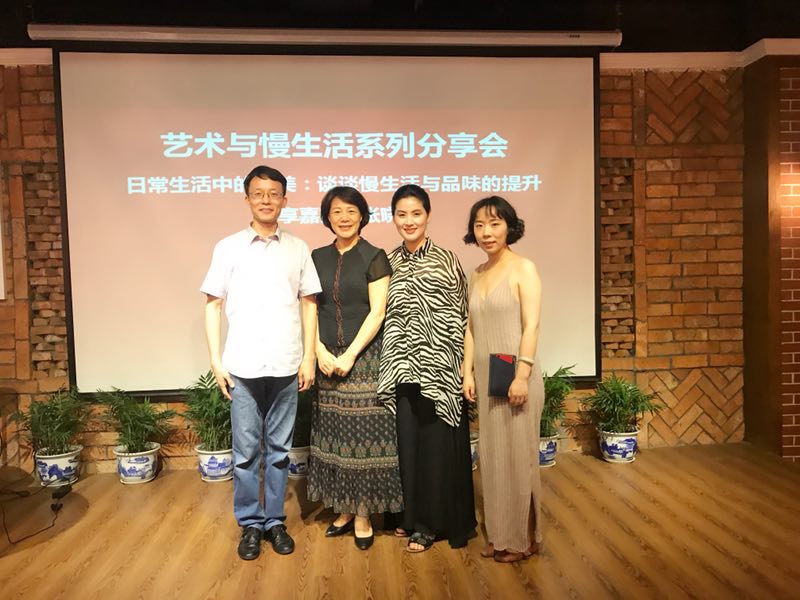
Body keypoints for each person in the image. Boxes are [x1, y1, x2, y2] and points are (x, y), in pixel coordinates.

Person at [201, 165, 321, 561]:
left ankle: (274, 522)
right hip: (243, 365)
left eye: (274, 194)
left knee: (280, 451)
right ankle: (250, 524)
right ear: (247, 198)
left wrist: (308, 357)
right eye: (258, 193)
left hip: (286, 364)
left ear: (284, 200)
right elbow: (213, 305)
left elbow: (309, 304)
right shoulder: (227, 247)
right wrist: (216, 360)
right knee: (246, 453)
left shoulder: (298, 248)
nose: (266, 200)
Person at [377, 184, 476, 553]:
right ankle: (409, 516)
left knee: (436, 449)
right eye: (401, 214)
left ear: (428, 215)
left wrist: (465, 369)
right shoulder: (388, 262)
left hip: (441, 371)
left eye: (416, 213)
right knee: (408, 447)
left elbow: (464, 318)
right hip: (400, 369)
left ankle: (430, 524)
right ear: (393, 218)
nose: (409, 221)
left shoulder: (447, 260)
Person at [307, 186, 403, 550]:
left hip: (364, 359)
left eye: (351, 211)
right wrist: (317, 349)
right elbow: (309, 309)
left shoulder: (374, 256)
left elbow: (378, 312)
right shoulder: (316, 257)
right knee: (335, 435)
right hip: (325, 357)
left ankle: (363, 513)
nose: (344, 217)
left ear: (362, 215)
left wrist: (349, 355)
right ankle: (344, 508)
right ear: (327, 217)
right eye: (336, 211)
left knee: (362, 437)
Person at [462, 195, 544, 563]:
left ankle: (524, 539)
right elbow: (471, 329)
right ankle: (499, 535)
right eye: (479, 225)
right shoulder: (477, 273)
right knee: (494, 459)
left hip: (516, 377)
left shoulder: (523, 268)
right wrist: (467, 371)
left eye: (494, 224)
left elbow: (532, 325)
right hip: (487, 377)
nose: (486, 232)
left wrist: (522, 375)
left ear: (509, 226)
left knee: (519, 459)